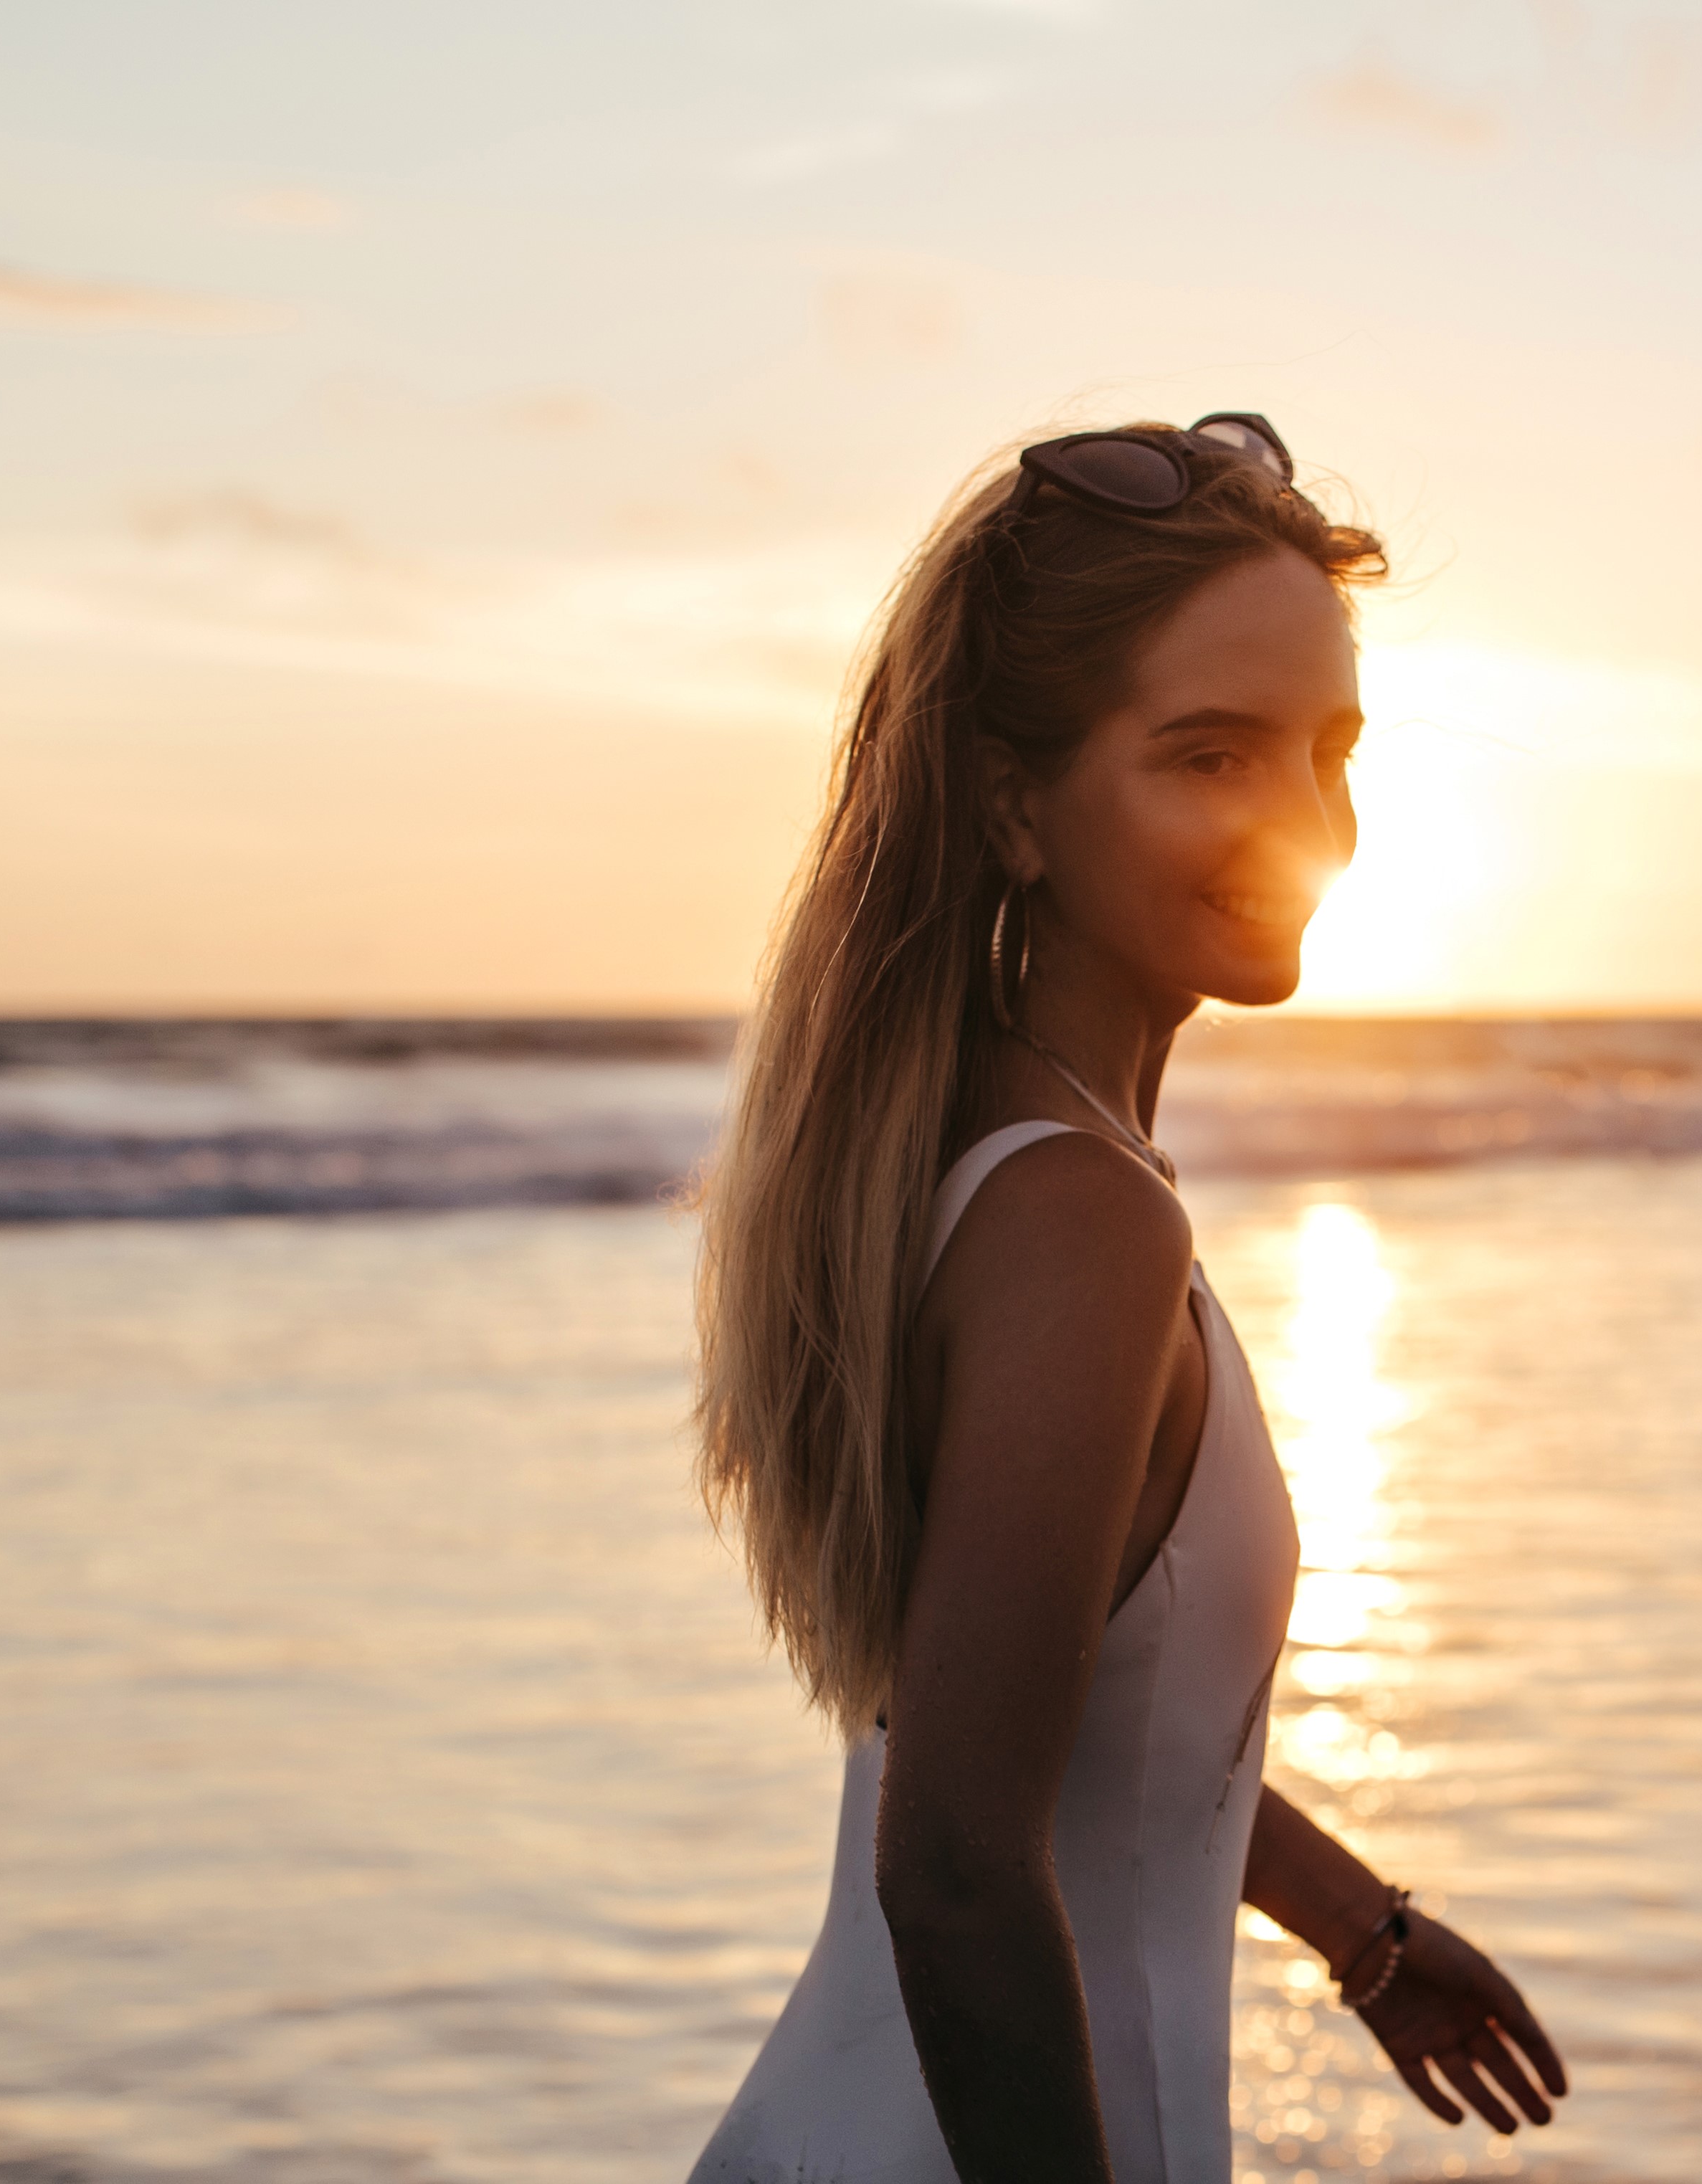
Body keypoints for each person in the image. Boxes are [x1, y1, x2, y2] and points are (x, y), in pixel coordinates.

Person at [686, 415, 1566, 2183]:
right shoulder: (1078, 1220)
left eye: (1329, 752)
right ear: (1017, 801)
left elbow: (1079, 1721)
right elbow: (951, 1860)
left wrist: (1360, 1931)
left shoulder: (1014, 1161)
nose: (1302, 822)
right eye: (1208, 755)